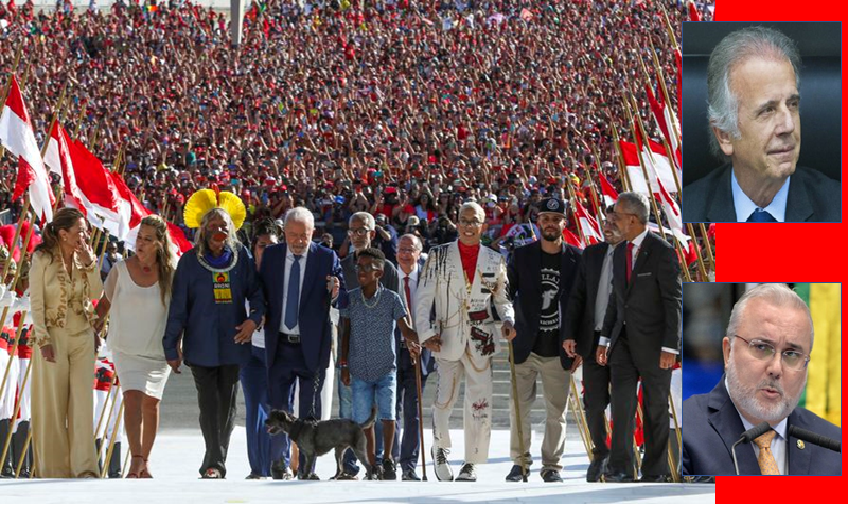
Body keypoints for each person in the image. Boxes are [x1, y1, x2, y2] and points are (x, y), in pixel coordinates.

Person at [683, 26, 840, 223]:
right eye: (768, 110)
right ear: (724, 135)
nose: (789, 125)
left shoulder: (840, 208)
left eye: (792, 105)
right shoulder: (685, 212)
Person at [683, 284, 841, 476]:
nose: (776, 369)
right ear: (728, 352)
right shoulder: (683, 433)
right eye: (762, 348)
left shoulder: (834, 446)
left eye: (791, 354)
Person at [163, 189, 265, 479]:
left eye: (224, 226)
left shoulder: (242, 257)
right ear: (203, 228)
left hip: (234, 343)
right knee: (208, 404)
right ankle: (216, 462)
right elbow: (178, 308)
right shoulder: (189, 262)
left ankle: (213, 460)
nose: (219, 230)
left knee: (228, 407)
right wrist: (171, 347)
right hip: (201, 345)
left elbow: (257, 294)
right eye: (213, 225)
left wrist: (253, 320)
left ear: (231, 229)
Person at [416, 202, 516, 482]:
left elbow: (502, 299)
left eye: (475, 221)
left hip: (482, 340)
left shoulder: (495, 260)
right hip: (445, 337)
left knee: (479, 401)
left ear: (483, 225)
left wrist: (509, 320)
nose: (469, 226)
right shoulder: (438, 256)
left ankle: (471, 461)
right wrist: (425, 333)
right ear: (456, 223)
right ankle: (440, 447)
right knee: (444, 399)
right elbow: (424, 298)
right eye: (464, 220)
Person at [597, 193, 682, 483]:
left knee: (655, 409)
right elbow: (615, 300)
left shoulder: (662, 251)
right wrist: (604, 339)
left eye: (617, 216)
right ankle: (620, 467)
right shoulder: (619, 252)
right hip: (622, 344)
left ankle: (655, 470)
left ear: (632, 219)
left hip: (657, 346)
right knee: (621, 405)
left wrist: (671, 346)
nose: (613, 221)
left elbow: (673, 301)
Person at [258, 206, 344, 480]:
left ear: (313, 233)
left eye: (303, 235)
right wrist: (257, 314)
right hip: (280, 345)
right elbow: (259, 292)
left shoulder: (326, 257)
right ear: (284, 233)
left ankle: (307, 468)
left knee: (310, 412)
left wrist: (336, 291)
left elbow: (341, 299)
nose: (297, 241)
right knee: (278, 408)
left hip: (311, 346)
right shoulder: (271, 256)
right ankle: (280, 464)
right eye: (292, 234)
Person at [504, 197, 582, 483]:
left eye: (556, 218)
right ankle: (519, 463)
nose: (550, 223)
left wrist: (581, 346)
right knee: (519, 409)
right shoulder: (522, 256)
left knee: (556, 413)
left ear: (564, 223)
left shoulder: (577, 257)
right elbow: (506, 293)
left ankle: (552, 466)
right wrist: (506, 320)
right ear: (538, 222)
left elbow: (582, 304)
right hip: (524, 345)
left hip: (559, 348)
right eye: (545, 218)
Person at [95, 215, 176, 479]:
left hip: (157, 351)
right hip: (125, 348)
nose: (140, 243)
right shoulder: (119, 270)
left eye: (147, 239)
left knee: (151, 403)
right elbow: (103, 307)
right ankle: (135, 459)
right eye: (139, 237)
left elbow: (179, 315)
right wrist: (91, 331)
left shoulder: (171, 274)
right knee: (132, 398)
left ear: (159, 244)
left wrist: (178, 347)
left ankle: (145, 461)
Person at [29, 207, 102, 478]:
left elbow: (97, 292)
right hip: (54, 336)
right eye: (80, 230)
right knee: (53, 405)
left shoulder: (85, 257)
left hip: (82, 333)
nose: (85, 234)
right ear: (63, 233)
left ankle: (84, 468)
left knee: (83, 403)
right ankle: (54, 469)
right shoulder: (42, 258)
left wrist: (91, 262)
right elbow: (37, 302)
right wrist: (42, 339)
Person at [339, 248, 418, 480]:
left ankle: (388, 460)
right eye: (358, 267)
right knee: (364, 421)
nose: (360, 271)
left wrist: (422, 340)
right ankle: (372, 464)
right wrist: (343, 365)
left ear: (379, 273)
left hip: (386, 368)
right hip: (359, 369)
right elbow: (345, 332)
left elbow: (406, 330)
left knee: (388, 415)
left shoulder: (392, 298)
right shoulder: (351, 298)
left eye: (366, 268)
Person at [563, 205, 625, 482]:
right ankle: (600, 454)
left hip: (626, 343)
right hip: (593, 340)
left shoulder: (638, 255)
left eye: (615, 221)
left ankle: (624, 456)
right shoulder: (591, 254)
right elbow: (576, 297)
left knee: (624, 404)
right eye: (606, 221)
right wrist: (569, 334)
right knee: (594, 403)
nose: (608, 226)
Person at [337, 211, 401, 479]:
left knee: (385, 410)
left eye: (362, 229)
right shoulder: (339, 267)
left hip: (381, 352)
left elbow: (397, 314)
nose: (357, 235)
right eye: (353, 230)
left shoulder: (387, 269)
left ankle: (385, 461)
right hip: (350, 351)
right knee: (351, 409)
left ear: (372, 233)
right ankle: (351, 465)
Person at [238, 220, 282, 479]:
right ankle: (257, 468)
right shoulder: (244, 274)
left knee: (277, 408)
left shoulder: (287, 274)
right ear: (254, 248)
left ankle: (278, 464)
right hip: (250, 349)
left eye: (272, 246)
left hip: (278, 350)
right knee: (254, 408)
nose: (266, 250)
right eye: (262, 245)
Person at [389, 234, 432, 481]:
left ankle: (409, 464)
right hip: (391, 352)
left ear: (419, 252)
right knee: (390, 410)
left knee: (413, 412)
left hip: (420, 353)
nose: (405, 254)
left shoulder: (429, 280)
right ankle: (390, 459)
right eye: (401, 249)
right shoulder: (387, 277)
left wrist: (423, 340)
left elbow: (436, 313)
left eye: (410, 249)